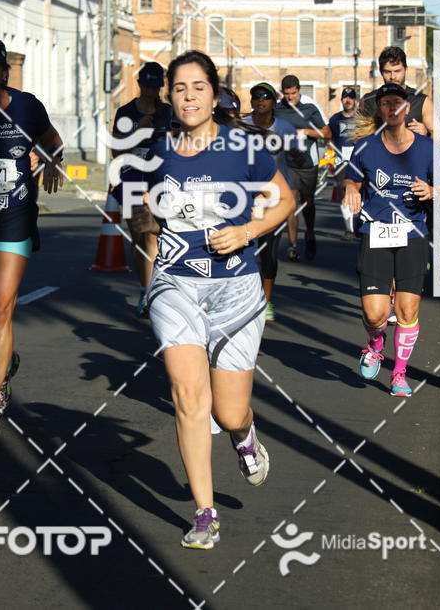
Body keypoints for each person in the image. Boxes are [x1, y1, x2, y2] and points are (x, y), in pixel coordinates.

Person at [131, 51, 294, 550]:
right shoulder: (155, 152)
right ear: (170, 95)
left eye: (198, 87)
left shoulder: (243, 147)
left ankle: (244, 436)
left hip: (235, 289)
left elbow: (284, 201)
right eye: (180, 88)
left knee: (228, 412)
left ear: (215, 92)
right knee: (187, 397)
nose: (189, 97)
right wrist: (149, 278)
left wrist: (246, 230)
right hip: (176, 285)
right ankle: (205, 512)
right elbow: (145, 221)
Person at [0, 37, 64, 435]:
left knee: (0, 307)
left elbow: (52, 142)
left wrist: (54, 163)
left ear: (5, 70)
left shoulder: (27, 106)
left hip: (15, 216)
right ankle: (5, 358)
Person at [343, 83, 433, 397]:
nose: (392, 108)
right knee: (374, 313)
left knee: (407, 310)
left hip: (413, 234)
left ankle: (399, 374)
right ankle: (375, 343)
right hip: (375, 233)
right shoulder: (366, 146)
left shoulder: (427, 147)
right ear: (380, 109)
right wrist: (353, 190)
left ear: (407, 107)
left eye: (397, 102)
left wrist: (433, 192)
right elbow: (351, 180)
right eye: (385, 103)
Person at [112, 62, 172, 316]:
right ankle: (144, 287)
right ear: (139, 85)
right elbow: (117, 151)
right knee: (138, 236)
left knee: (153, 235)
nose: (150, 91)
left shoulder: (169, 112)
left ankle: (153, 291)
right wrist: (139, 131)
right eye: (146, 86)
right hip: (132, 176)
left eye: (155, 86)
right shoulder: (126, 112)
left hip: (160, 176)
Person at [242, 81, 299, 321]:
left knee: (269, 251)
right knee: (244, 249)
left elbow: (298, 155)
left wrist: (288, 147)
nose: (259, 100)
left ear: (273, 101)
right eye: (255, 96)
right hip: (245, 196)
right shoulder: (241, 126)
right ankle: (243, 299)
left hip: (274, 198)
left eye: (265, 96)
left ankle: (266, 302)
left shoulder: (284, 127)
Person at [274, 74, 331, 261]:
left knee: (308, 203)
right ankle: (293, 245)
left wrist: (306, 131)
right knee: (291, 204)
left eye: (294, 93)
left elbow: (327, 133)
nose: (290, 97)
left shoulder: (309, 109)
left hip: (308, 164)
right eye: (287, 94)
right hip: (287, 164)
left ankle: (310, 233)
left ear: (299, 91)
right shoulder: (278, 109)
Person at [360, 46, 433, 136]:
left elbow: (439, 139)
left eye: (397, 71)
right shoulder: (368, 100)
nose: (393, 77)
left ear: (405, 69)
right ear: (381, 72)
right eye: (387, 72)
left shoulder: (421, 101)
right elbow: (358, 138)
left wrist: (427, 133)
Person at [328, 87, 358, 241]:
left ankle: (360, 225)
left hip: (358, 160)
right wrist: (330, 160)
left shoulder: (361, 119)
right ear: (341, 100)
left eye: (351, 97)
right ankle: (349, 229)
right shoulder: (335, 119)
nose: (348, 100)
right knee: (344, 193)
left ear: (355, 100)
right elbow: (330, 139)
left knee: (361, 192)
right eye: (345, 98)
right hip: (341, 161)